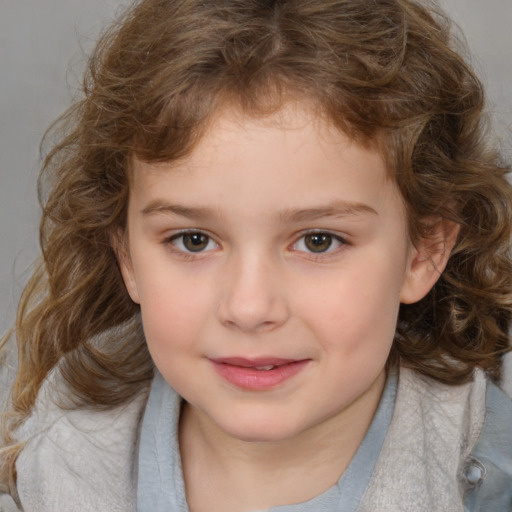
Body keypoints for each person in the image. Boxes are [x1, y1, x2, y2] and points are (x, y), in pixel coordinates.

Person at [1, 0, 511, 510]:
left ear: (423, 252)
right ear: (128, 257)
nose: (249, 308)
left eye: (318, 241)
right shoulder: (58, 461)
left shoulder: (487, 478)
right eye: (193, 240)